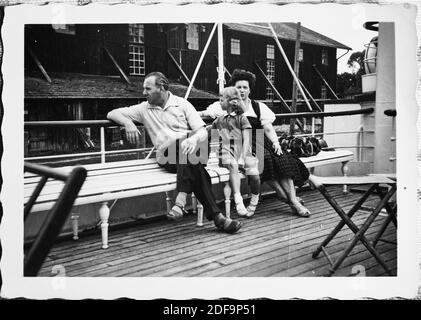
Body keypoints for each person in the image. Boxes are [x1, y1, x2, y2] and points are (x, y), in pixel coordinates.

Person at [107, 71, 242, 233]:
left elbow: (202, 131)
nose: (144, 93)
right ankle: (214, 216)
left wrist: (192, 140)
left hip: (193, 150)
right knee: (195, 165)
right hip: (168, 157)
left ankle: (183, 202)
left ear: (162, 87)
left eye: (147, 89)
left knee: (189, 146)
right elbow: (112, 113)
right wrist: (128, 123)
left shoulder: (182, 104)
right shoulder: (144, 108)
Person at [199, 69, 311, 217]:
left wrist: (276, 143)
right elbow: (205, 114)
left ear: (250, 89)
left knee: (282, 158)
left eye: (245, 87)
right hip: (242, 143)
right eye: (238, 87)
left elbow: (268, 127)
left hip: (260, 139)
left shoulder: (258, 107)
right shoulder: (224, 105)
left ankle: (291, 200)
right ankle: (288, 198)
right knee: (265, 159)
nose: (242, 90)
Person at [211, 86, 261, 218]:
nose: (219, 102)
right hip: (225, 152)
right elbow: (208, 132)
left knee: (255, 174)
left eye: (221, 100)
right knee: (232, 164)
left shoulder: (242, 118)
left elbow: (246, 140)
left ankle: (255, 200)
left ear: (230, 102)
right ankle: (238, 201)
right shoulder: (219, 120)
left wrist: (243, 158)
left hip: (243, 152)